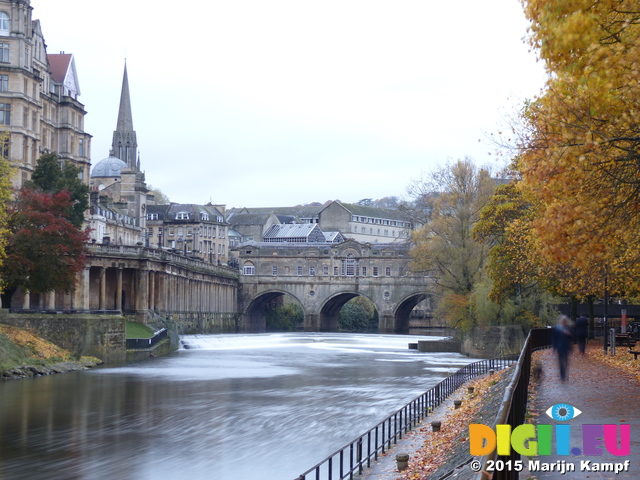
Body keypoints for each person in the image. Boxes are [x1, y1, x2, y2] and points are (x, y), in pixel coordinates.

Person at [552, 315, 573, 381]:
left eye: (564, 321)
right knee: (561, 362)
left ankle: (565, 374)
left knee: (566, 361)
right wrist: (554, 348)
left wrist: (569, 334)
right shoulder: (557, 328)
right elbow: (555, 338)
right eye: (562, 321)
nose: (563, 322)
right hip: (560, 347)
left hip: (566, 347)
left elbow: (572, 338)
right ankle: (562, 375)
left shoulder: (568, 328)